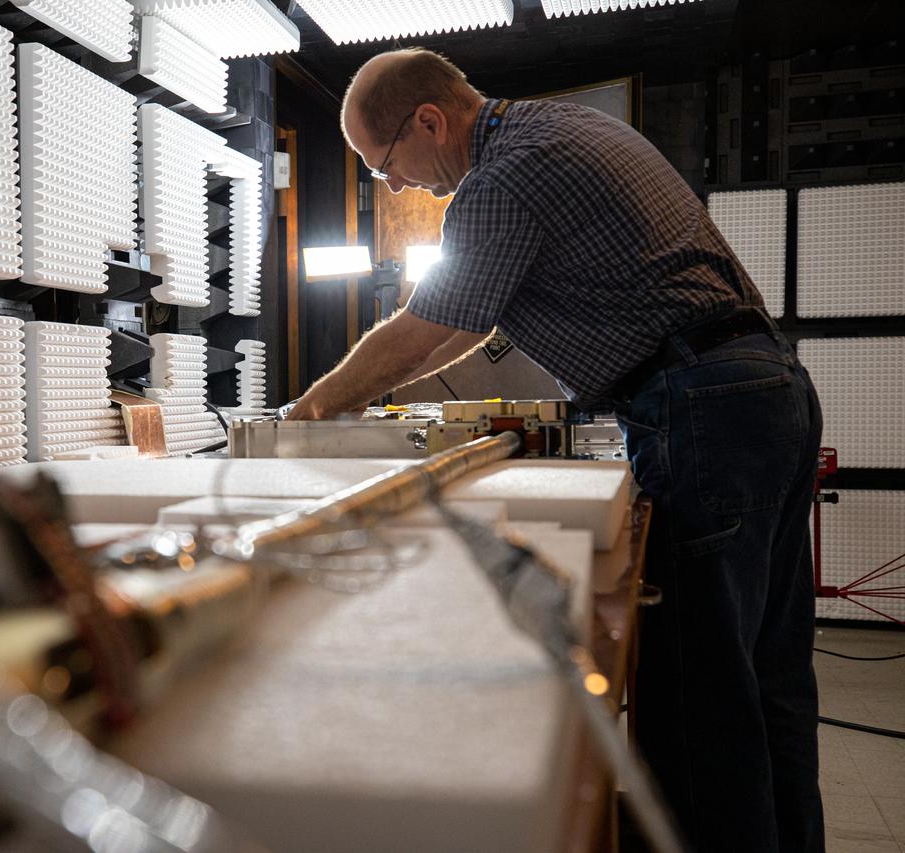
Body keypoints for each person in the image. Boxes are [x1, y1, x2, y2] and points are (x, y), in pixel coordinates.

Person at [288, 48, 825, 853]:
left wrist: (315, 405)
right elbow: (463, 324)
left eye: (386, 163)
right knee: (767, 681)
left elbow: (434, 328)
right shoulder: (567, 126)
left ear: (429, 120)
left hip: (703, 408)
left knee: (697, 698)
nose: (393, 186)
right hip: (766, 391)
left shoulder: (503, 178)